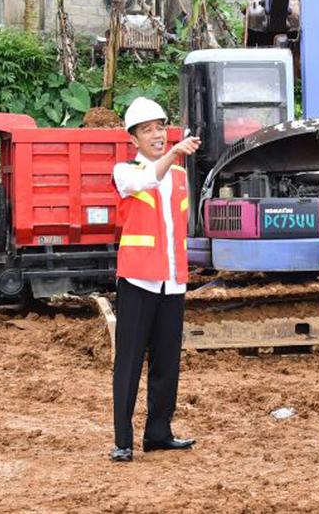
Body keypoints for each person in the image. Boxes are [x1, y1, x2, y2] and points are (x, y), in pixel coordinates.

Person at [109, 97, 201, 463]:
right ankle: (122, 440)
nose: (157, 135)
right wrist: (175, 153)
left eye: (160, 128)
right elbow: (149, 177)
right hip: (137, 280)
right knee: (129, 362)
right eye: (147, 130)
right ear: (134, 139)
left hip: (172, 281)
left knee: (167, 362)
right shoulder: (125, 171)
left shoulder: (179, 176)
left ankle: (159, 432)